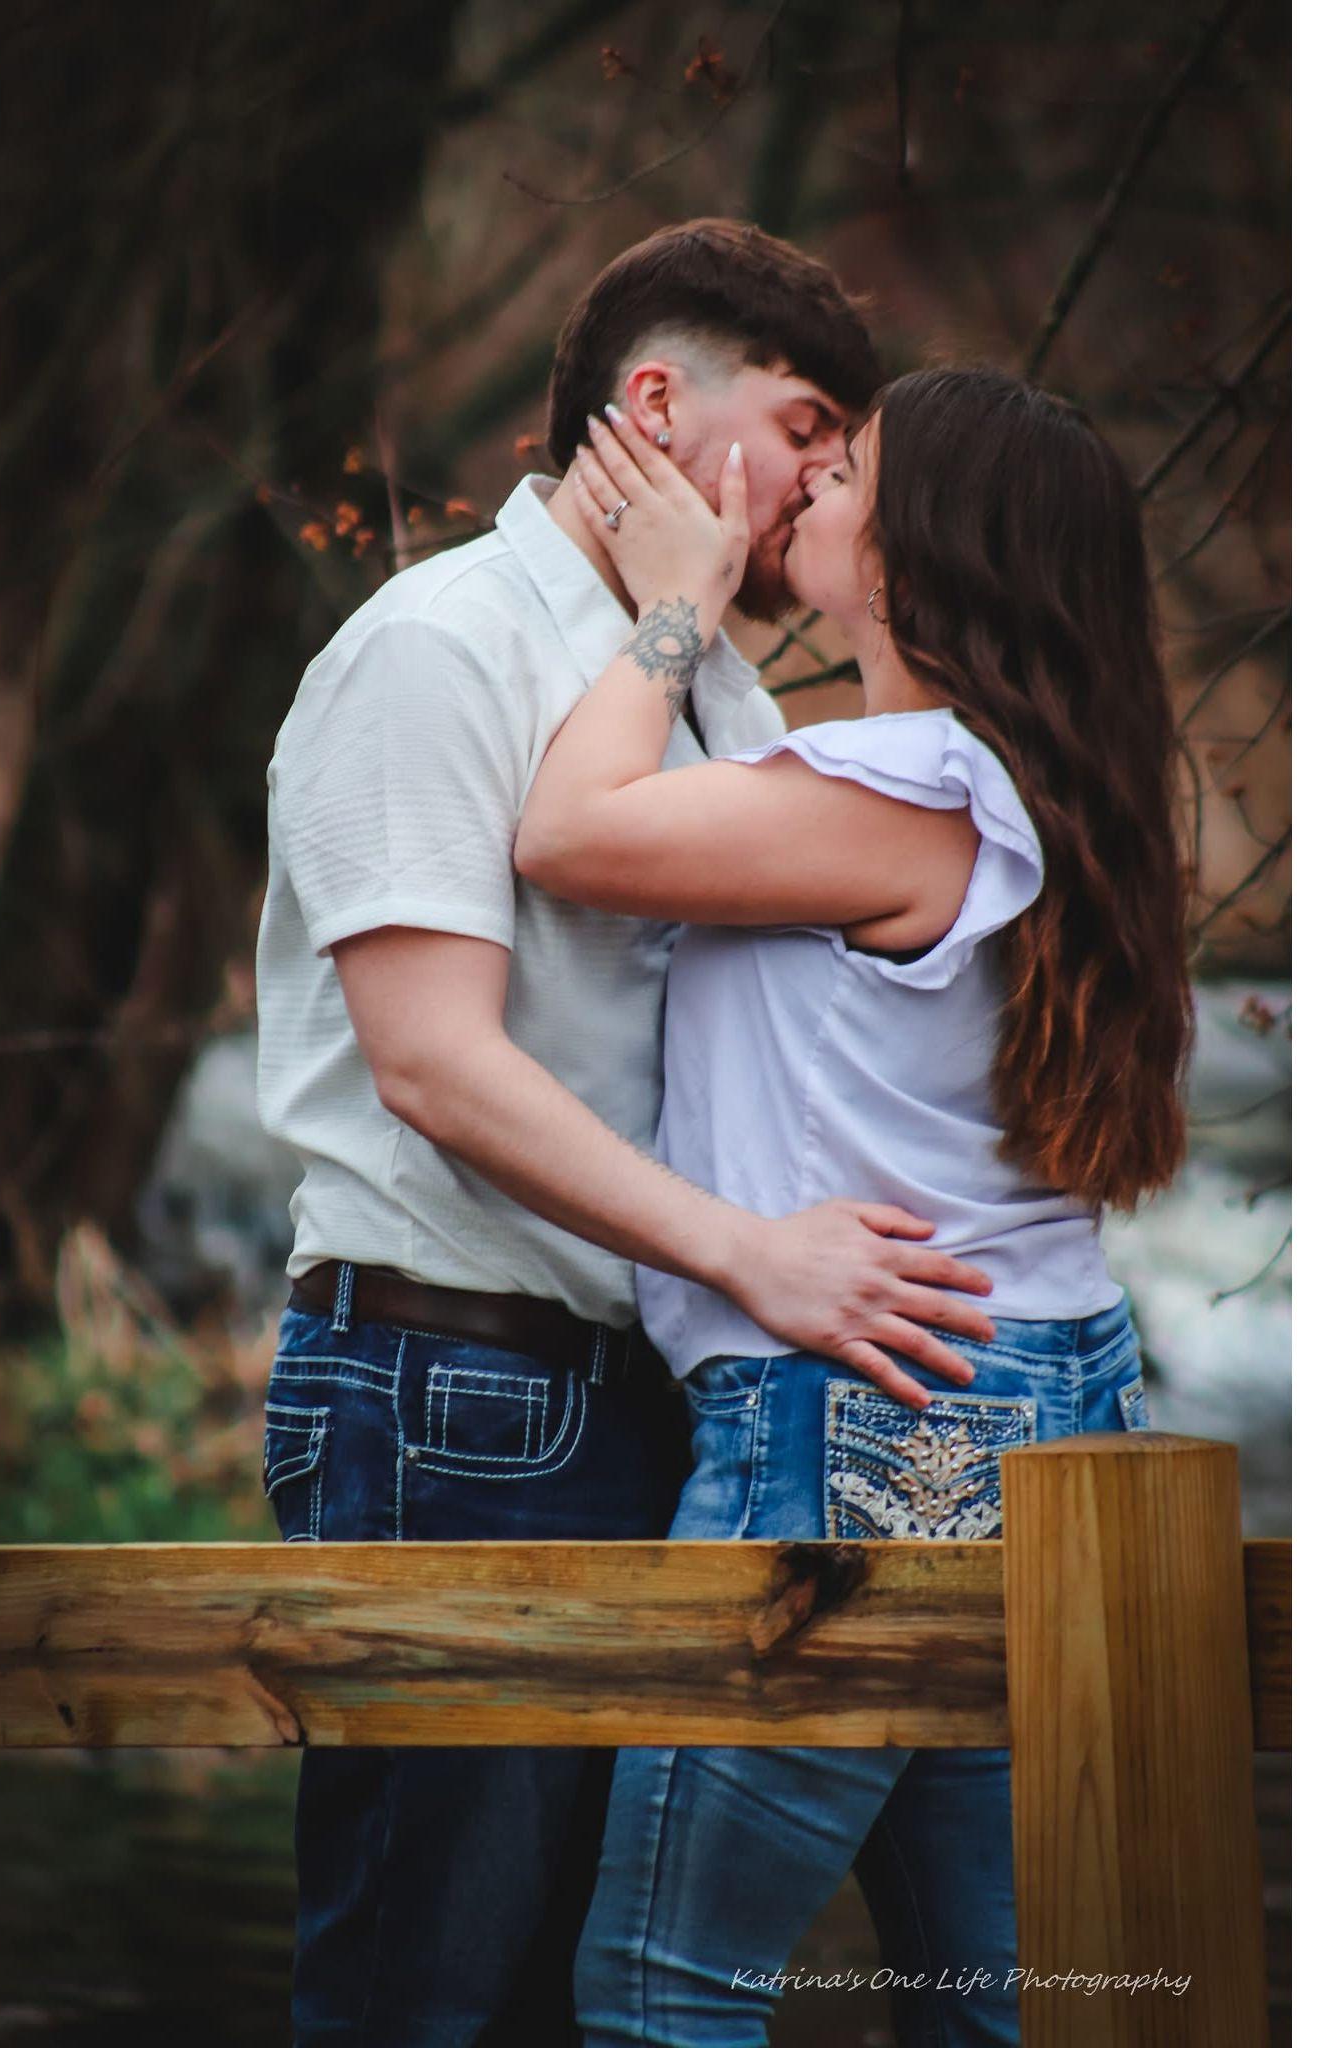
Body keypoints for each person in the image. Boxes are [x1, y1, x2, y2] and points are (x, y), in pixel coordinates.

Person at [254, 221, 999, 2048]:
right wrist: (756, 1256)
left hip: (654, 1399)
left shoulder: (713, 689)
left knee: (586, 2006)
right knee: (431, 1998)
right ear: (655, 408)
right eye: (808, 426)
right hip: (457, 1390)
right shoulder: (436, 653)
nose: (829, 480)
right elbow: (434, 1063)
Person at [513, 370, 1195, 2048]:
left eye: (851, 470)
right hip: (1047, 1404)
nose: (809, 485)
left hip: (869, 1407)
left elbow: (568, 831)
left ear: (923, 550)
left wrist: (676, 605)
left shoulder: (903, 793)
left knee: (668, 1993)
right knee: (1002, 2005)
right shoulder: (1025, 787)